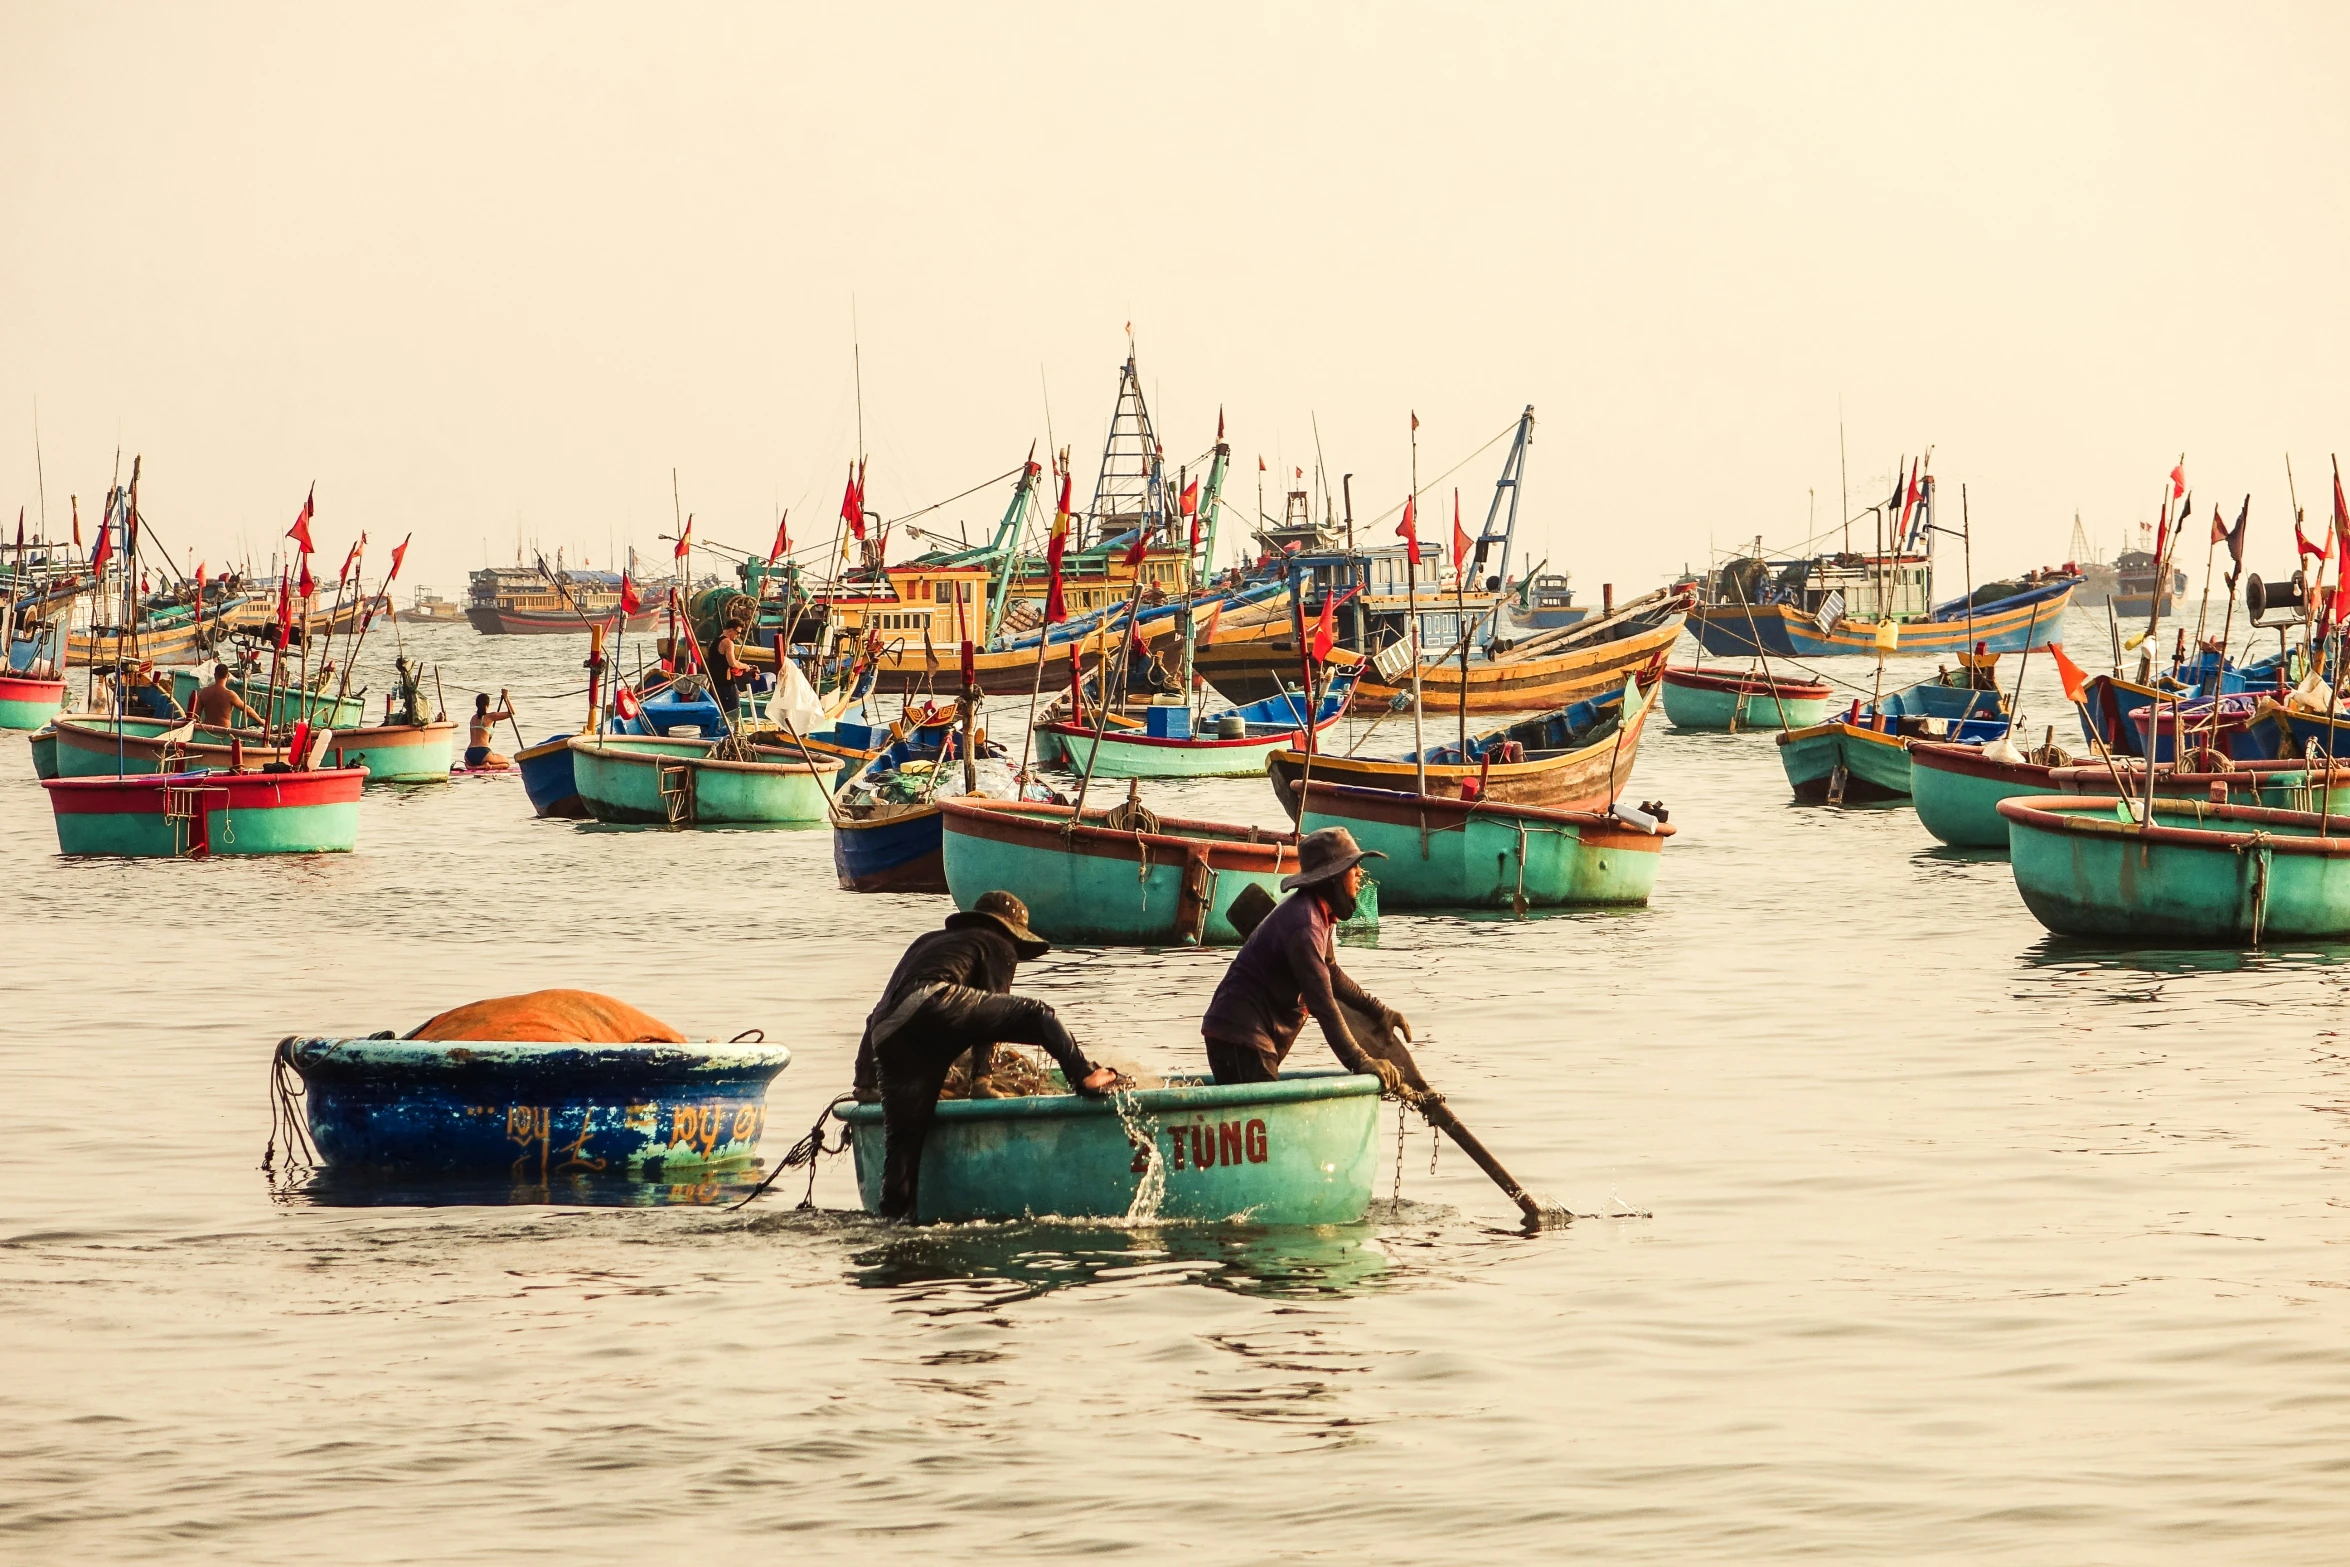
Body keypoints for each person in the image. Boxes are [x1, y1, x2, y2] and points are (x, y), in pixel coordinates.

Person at [855, 890, 1121, 1221]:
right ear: (1008, 931)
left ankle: (895, 1216)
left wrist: (865, 1081)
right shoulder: (996, 944)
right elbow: (993, 1011)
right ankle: (1085, 1075)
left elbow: (878, 1013)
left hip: (890, 1033)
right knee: (1037, 1013)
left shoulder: (926, 942)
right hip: (934, 1005)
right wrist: (982, 1077)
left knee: (903, 1148)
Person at [1199, 826, 1412, 1092]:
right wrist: (1361, 1061)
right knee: (1266, 1122)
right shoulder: (1306, 926)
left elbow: (1332, 975)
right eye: (1352, 867)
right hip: (1240, 1036)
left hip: (1248, 1039)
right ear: (1333, 877)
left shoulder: (1319, 915)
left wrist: (1379, 1011)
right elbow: (1323, 1004)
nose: (1360, 873)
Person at [189, 663, 263, 728]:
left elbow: (195, 715)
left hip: (207, 730)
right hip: (223, 732)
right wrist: (260, 720)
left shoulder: (204, 692)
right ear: (227, 676)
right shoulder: (230, 695)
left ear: (215, 675)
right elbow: (247, 710)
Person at [467, 690, 515, 769]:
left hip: (469, 755)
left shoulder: (473, 718)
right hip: (483, 753)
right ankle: (487, 766)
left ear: (477, 705)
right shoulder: (490, 716)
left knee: (483, 760)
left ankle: (473, 767)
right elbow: (511, 713)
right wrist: (506, 697)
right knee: (507, 763)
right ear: (488, 705)